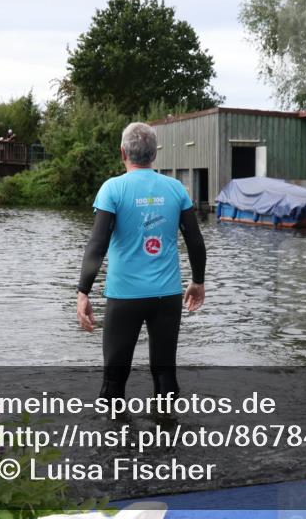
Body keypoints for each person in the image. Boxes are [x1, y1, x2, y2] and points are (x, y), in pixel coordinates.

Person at [75, 122, 207, 400]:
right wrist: (197, 281)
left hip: (124, 297)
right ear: (154, 154)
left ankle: (114, 440)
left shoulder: (112, 189)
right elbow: (195, 240)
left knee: (114, 380)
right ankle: (167, 436)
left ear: (123, 152)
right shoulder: (176, 189)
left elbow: (97, 245)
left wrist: (83, 292)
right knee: (165, 375)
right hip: (167, 297)